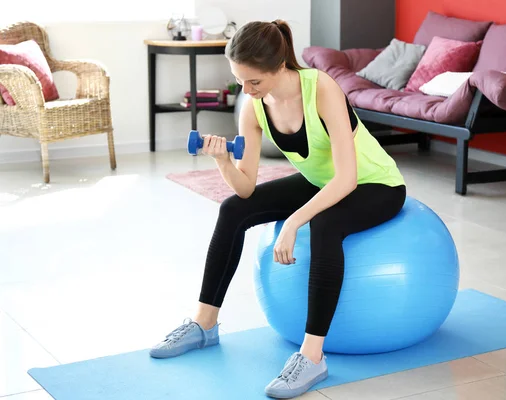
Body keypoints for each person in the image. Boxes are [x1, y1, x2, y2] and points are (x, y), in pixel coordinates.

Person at [150, 19, 407, 399]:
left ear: (280, 66)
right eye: (239, 81)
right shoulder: (253, 107)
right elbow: (247, 186)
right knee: (232, 209)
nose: (247, 90)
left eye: (254, 81)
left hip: (376, 183)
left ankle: (312, 355)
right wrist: (222, 160)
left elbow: (347, 179)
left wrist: (294, 221)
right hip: (323, 181)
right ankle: (205, 324)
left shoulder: (320, 89)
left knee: (324, 224)